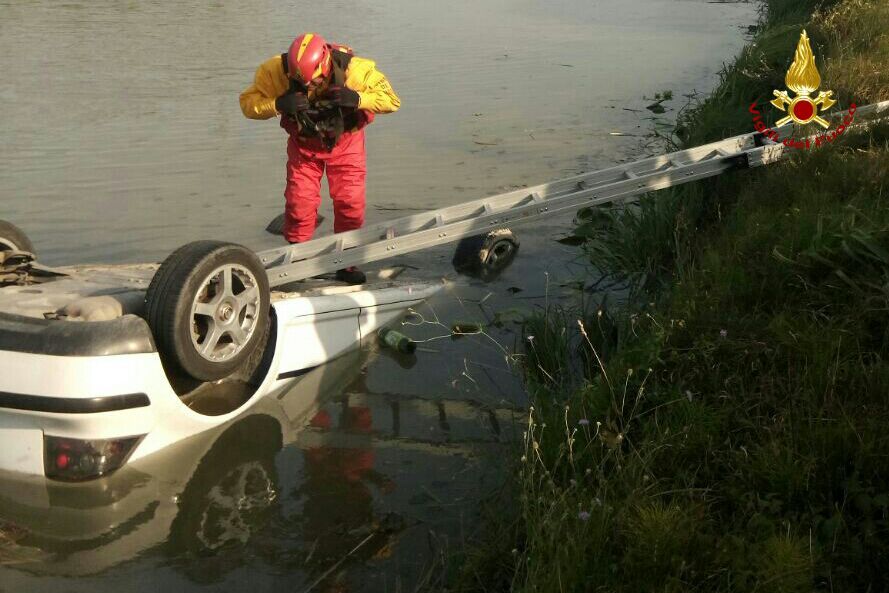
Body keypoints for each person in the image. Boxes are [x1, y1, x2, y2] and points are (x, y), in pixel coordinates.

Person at [240, 33, 400, 285]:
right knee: (299, 202)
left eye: (313, 83)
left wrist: (357, 99)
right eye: (301, 84)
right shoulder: (274, 71)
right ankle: (298, 259)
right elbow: (248, 105)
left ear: (325, 66)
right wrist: (278, 104)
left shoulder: (356, 70)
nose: (308, 89)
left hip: (346, 144)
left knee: (350, 203)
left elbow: (392, 101)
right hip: (304, 147)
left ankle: (347, 262)